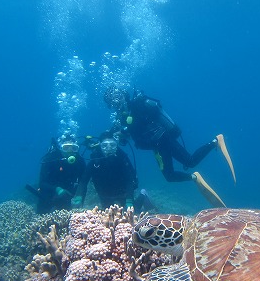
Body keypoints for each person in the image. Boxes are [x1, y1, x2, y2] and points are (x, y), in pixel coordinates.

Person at [103, 87, 235, 206]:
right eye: (111, 102)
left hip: (163, 138)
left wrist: (126, 129)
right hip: (156, 146)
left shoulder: (136, 104)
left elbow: (139, 122)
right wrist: (121, 136)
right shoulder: (122, 116)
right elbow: (131, 135)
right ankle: (195, 177)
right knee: (170, 176)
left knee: (190, 161)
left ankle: (216, 141)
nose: (115, 103)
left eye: (117, 99)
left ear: (124, 96)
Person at [72, 132, 140, 211]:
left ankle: (143, 195)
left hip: (123, 195)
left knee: (131, 212)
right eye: (104, 146)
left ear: (116, 146)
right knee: (109, 213)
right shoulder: (95, 161)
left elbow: (129, 180)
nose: (109, 148)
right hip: (104, 196)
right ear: (100, 146)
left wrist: (129, 201)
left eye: (112, 145)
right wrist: (79, 197)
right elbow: (84, 180)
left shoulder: (122, 159)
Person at [28, 138, 86, 214]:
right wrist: (56, 189)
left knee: (66, 217)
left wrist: (80, 195)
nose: (70, 151)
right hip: (47, 195)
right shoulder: (50, 159)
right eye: (66, 148)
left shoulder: (80, 161)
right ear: (60, 148)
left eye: (74, 148)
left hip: (66, 196)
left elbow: (83, 181)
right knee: (42, 215)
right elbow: (42, 183)